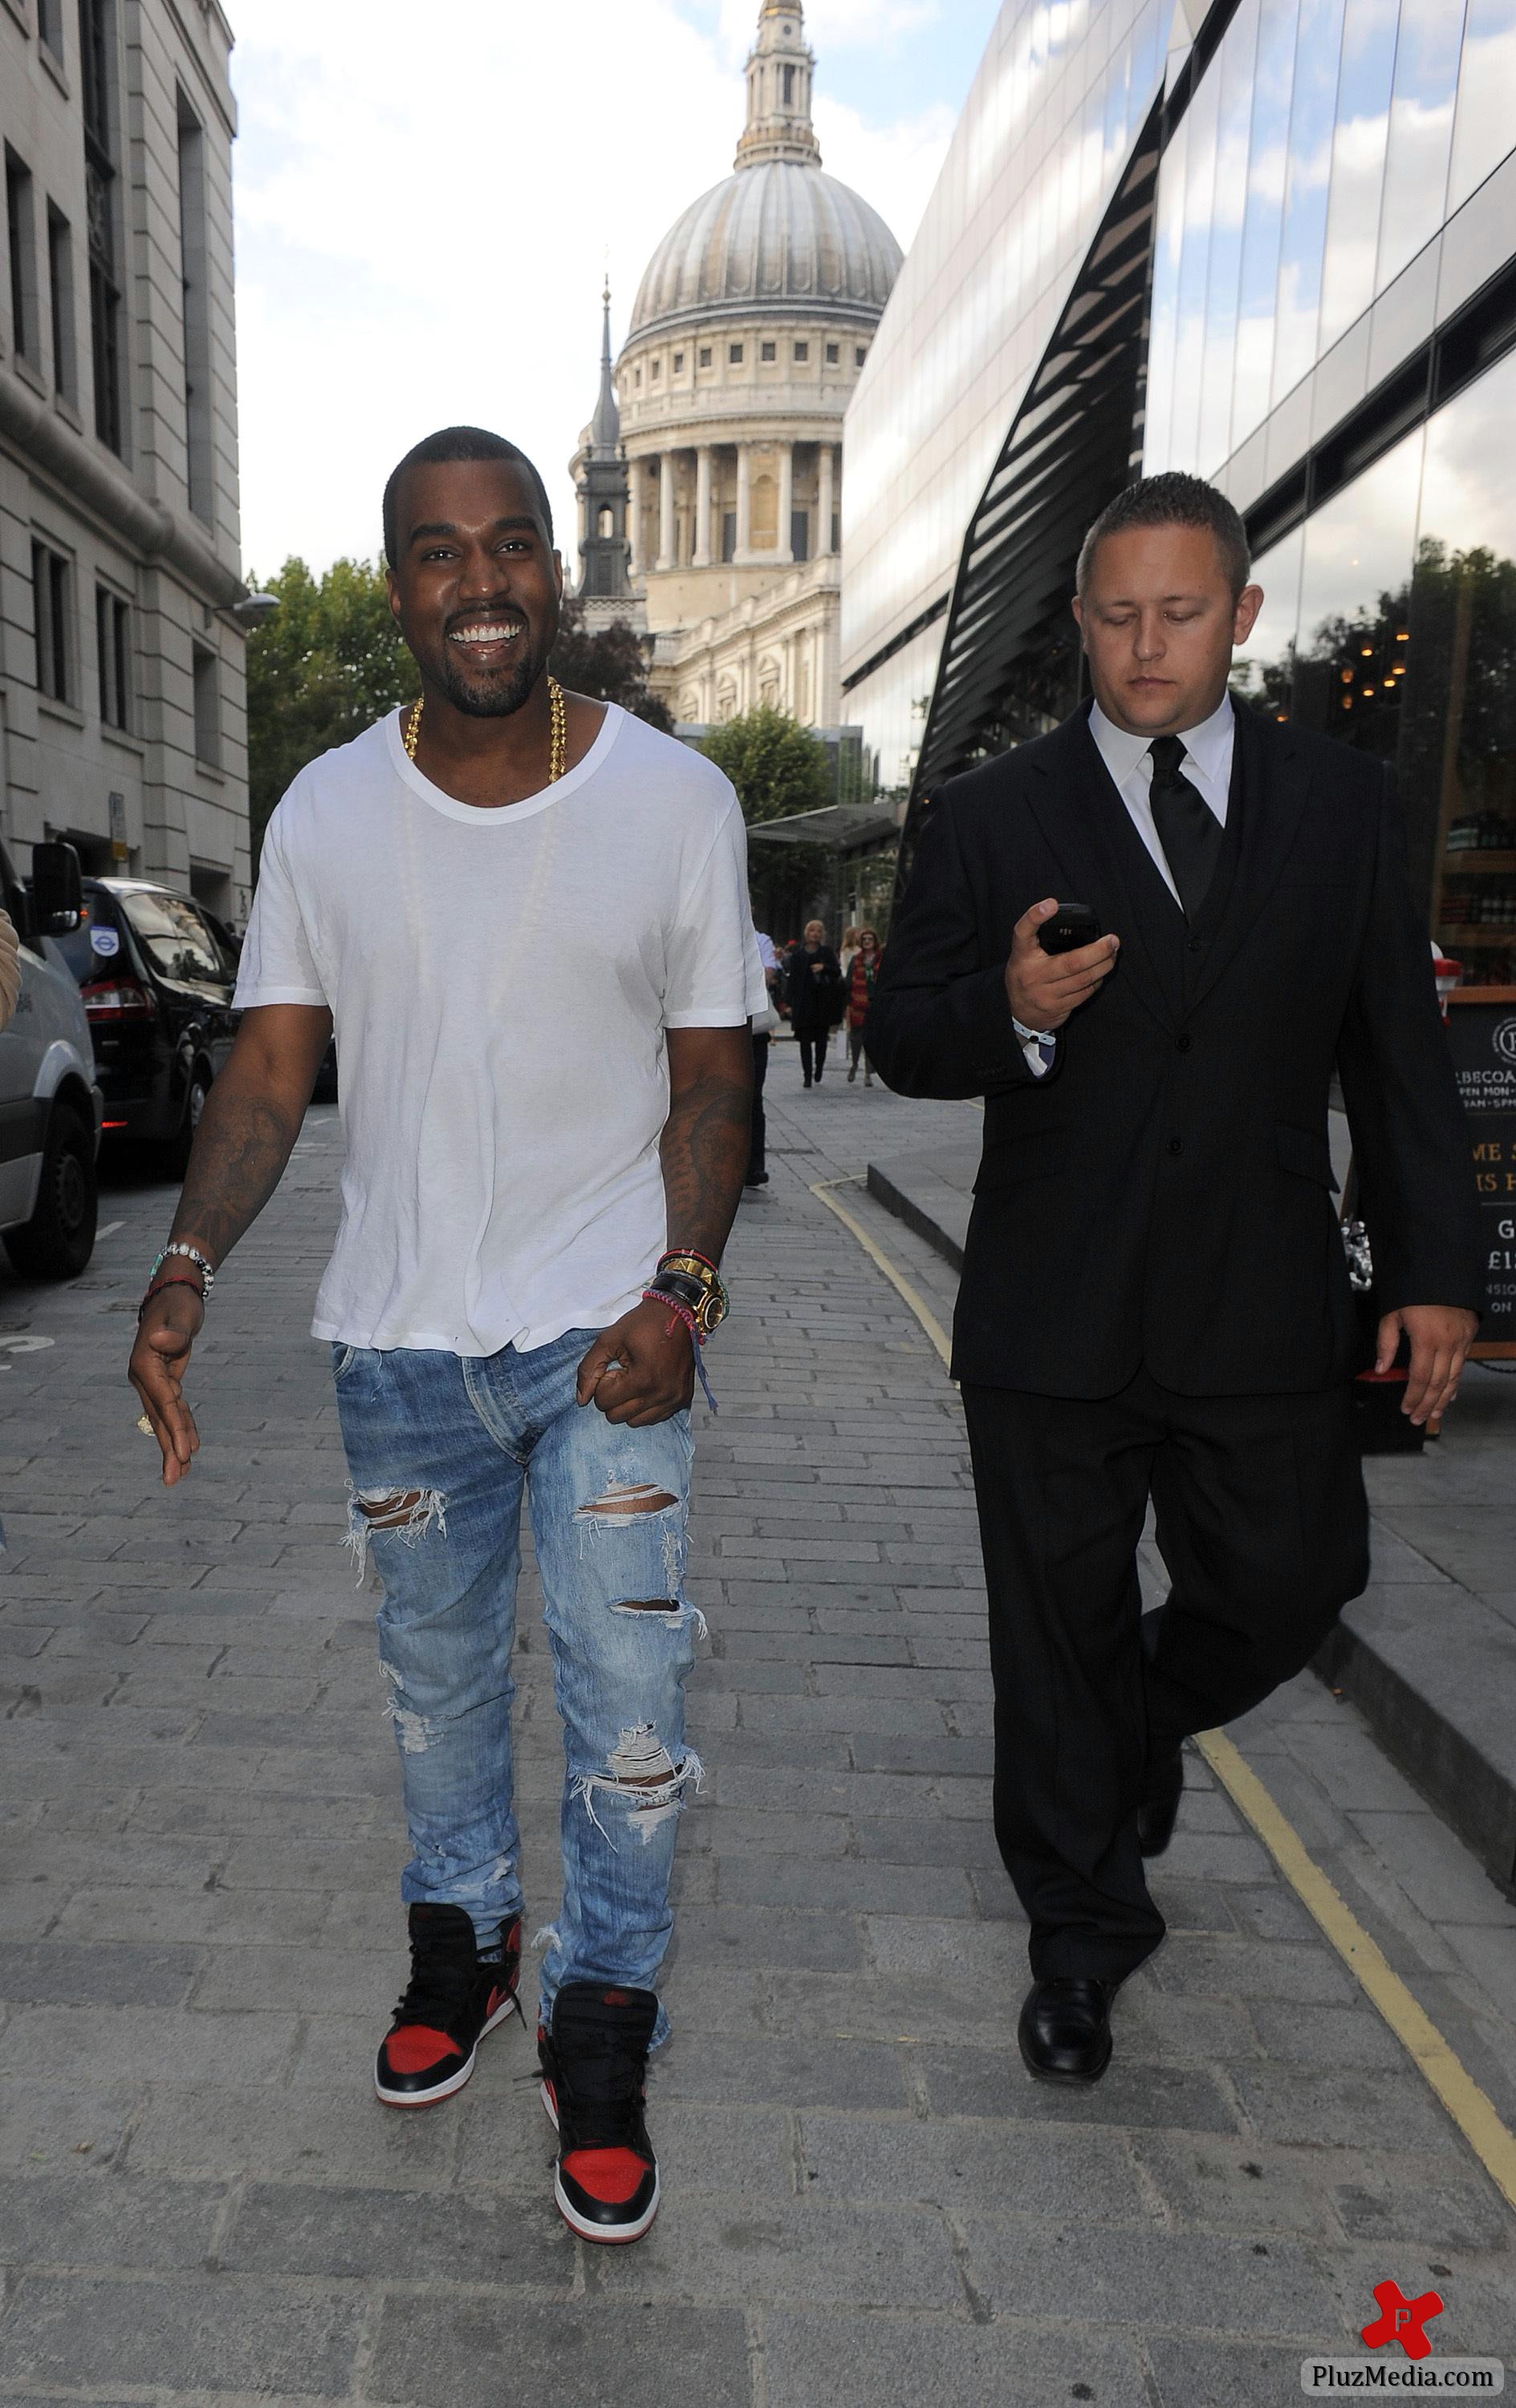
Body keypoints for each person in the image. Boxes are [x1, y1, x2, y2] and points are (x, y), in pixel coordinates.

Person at [128, 425, 764, 2242]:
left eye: (508, 546)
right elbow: (269, 1065)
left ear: (551, 565)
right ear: (395, 578)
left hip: (607, 1342)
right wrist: (181, 1266)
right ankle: (463, 1948)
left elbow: (712, 1074)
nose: (476, 582)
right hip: (399, 1353)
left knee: (631, 1715)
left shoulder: (671, 800)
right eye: (435, 551)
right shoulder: (326, 805)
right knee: (436, 1703)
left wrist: (681, 1290)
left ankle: (602, 2019)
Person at [867, 472, 1481, 2089]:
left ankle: (1130, 1731)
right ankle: (1078, 1936)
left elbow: (1396, 1057)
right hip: (1050, 1312)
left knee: (1294, 1579)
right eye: (1114, 616)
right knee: (1048, 1634)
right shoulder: (994, 812)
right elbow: (900, 1037)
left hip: (1258, 1299)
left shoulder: (1339, 807)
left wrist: (1432, 1269)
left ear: (1242, 616)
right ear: (1074, 624)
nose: (1144, 647)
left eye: (1178, 612)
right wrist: (1005, 1006)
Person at [786, 917, 840, 1088]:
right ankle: (807, 1074)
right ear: (806, 933)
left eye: (818, 931)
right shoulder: (798, 955)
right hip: (804, 1003)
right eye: (812, 931)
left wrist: (824, 968)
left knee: (821, 1040)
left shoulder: (826, 952)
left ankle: (819, 1068)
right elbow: (792, 980)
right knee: (804, 1041)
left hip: (822, 1002)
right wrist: (788, 1003)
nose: (815, 934)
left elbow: (837, 972)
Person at [747, 928, 781, 1186]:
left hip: (754, 1029)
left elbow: (770, 972)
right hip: (716, 1027)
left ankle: (754, 1166)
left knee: (754, 1097)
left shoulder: (761, 940)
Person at [845, 926, 883, 1085]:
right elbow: (848, 982)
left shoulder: (881, 959)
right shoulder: (856, 959)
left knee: (871, 1040)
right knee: (856, 1039)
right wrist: (847, 1004)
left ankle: (868, 1073)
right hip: (858, 1005)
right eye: (864, 939)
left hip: (875, 1004)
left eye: (870, 939)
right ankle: (854, 1064)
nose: (867, 942)